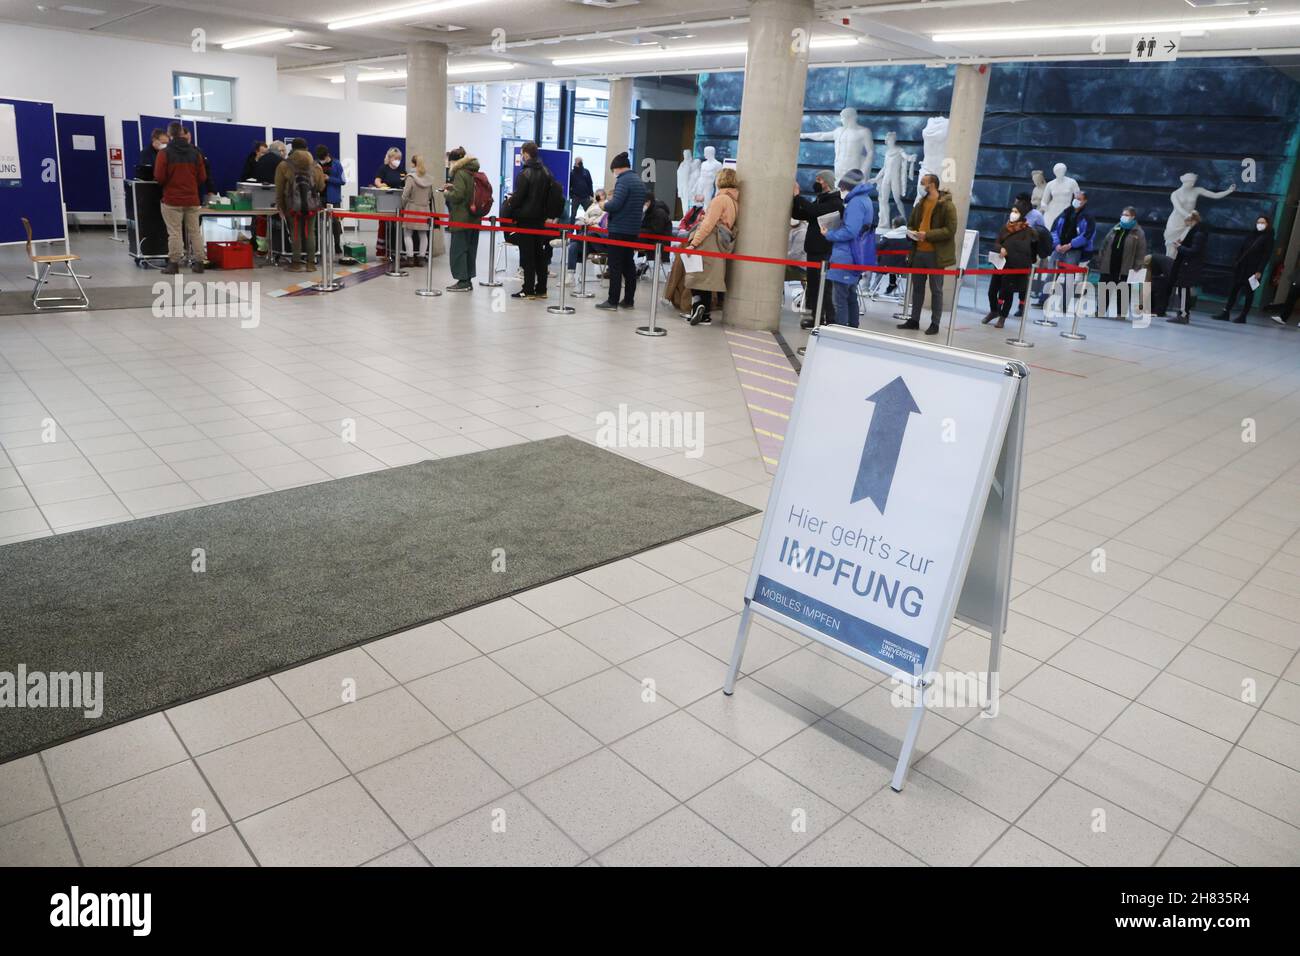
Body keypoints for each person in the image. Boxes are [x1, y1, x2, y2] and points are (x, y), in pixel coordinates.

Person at [901, 172, 956, 335]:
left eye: (923, 182)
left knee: (936, 290)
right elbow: (911, 223)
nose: (921, 184)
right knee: (917, 287)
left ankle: (935, 323)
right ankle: (914, 319)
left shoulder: (946, 205)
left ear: (931, 184)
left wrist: (928, 235)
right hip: (918, 251)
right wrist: (911, 232)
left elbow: (950, 230)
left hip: (935, 254)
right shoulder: (920, 203)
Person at [683, 166, 738, 326]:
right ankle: (705, 313)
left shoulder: (720, 199)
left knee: (696, 274)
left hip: (709, 241)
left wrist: (693, 244)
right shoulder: (734, 201)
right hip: (720, 242)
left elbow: (707, 224)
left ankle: (697, 306)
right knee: (707, 278)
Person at [823, 169, 876, 330]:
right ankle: (852, 329)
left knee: (839, 299)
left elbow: (850, 231)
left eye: (842, 188)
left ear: (847, 186)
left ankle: (841, 331)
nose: (841, 192)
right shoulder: (866, 200)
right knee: (851, 296)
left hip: (846, 255)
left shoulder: (856, 203)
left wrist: (829, 234)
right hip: (856, 255)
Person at [597, 152, 648, 312]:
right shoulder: (639, 181)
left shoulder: (623, 181)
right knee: (628, 265)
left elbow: (616, 204)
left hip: (619, 229)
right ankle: (628, 300)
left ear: (617, 168)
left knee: (615, 266)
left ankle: (612, 300)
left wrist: (604, 205)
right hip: (632, 230)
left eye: (613, 170)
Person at [792, 169, 843, 328]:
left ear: (826, 182)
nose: (816, 183)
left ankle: (830, 319)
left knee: (824, 287)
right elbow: (804, 214)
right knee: (813, 286)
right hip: (814, 249)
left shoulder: (834, 202)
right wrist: (795, 202)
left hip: (824, 250)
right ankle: (813, 318)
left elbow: (813, 211)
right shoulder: (821, 199)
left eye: (819, 180)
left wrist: (798, 196)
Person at [154, 122, 207, 275]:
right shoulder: (195, 153)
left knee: (175, 232)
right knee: (195, 231)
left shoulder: (164, 153)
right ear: (183, 134)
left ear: (170, 135)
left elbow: (159, 176)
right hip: (192, 198)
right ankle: (199, 263)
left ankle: (174, 264)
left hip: (172, 199)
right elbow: (202, 176)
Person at [502, 141, 553, 300]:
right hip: (540, 220)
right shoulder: (546, 172)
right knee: (540, 254)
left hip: (525, 220)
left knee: (527, 256)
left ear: (525, 153)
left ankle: (528, 289)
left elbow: (519, 198)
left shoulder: (525, 174)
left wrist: (511, 202)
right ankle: (542, 289)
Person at [982, 200, 1041, 329]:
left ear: (1021, 214)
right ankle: (994, 311)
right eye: (1012, 211)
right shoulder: (1006, 227)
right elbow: (997, 242)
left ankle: (1003, 316)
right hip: (1000, 264)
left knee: (1007, 293)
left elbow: (1024, 249)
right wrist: (1000, 249)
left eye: (1016, 212)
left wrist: (1009, 250)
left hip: (1014, 266)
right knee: (992, 291)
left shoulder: (1027, 231)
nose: (1013, 214)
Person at [274, 137, 325, 272]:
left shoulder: (284, 165)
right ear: (307, 148)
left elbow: (279, 188)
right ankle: (311, 264)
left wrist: (280, 205)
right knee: (310, 232)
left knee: (295, 232)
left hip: (292, 206)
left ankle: (296, 264)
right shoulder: (315, 165)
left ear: (292, 149)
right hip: (311, 206)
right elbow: (320, 187)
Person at [1044, 190, 1095, 317]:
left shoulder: (1088, 216)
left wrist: (1071, 245)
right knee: (1051, 274)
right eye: (1075, 198)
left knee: (1069, 277)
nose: (1077, 200)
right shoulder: (1066, 212)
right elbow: (1054, 229)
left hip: (1074, 250)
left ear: (1085, 201)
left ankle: (1064, 304)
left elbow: (1087, 235)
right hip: (1059, 248)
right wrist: (1057, 245)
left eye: (1080, 199)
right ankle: (1044, 300)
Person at [1216, 215, 1274, 323]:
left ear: (1268, 224)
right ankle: (1226, 311)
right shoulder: (1252, 234)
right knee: (1234, 290)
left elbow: (1266, 256)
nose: (1260, 225)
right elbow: (1243, 249)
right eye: (1258, 222)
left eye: (1263, 223)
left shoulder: (1268, 238)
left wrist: (1259, 270)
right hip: (1242, 267)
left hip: (1253, 269)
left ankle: (1243, 315)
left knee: (1249, 292)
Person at [1095, 206, 1148, 320]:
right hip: (1109, 264)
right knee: (1104, 287)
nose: (1123, 217)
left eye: (1126, 215)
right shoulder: (1116, 228)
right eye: (1122, 214)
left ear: (1133, 217)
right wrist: (1101, 258)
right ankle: (1100, 310)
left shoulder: (1138, 232)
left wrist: (1138, 265)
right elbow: (1105, 243)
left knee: (1123, 290)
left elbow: (1141, 250)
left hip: (1126, 266)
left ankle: (1121, 314)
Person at [442, 146, 481, 291]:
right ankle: (468, 280)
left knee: (458, 250)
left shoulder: (460, 173)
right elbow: (467, 192)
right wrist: (454, 187)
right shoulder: (473, 171)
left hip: (461, 218)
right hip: (474, 218)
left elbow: (458, 196)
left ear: (454, 161)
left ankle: (462, 281)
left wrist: (446, 193)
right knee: (470, 250)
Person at [1166, 210, 1208, 324]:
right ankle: (1182, 313)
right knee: (1182, 290)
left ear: (1192, 221)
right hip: (1186, 265)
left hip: (1188, 266)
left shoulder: (1197, 234)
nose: (1186, 224)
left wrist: (1180, 247)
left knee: (1183, 290)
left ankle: (1184, 314)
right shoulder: (1195, 232)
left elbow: (1194, 251)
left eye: (1187, 222)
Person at [401, 154, 435, 265]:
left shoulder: (411, 177)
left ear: (413, 164)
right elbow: (430, 195)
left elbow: (405, 195)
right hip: (425, 209)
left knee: (407, 234)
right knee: (423, 234)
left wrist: (402, 206)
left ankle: (410, 258)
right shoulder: (429, 179)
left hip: (411, 208)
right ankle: (421, 258)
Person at [566, 188, 605, 283]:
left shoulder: (606, 206)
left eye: (600, 195)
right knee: (573, 247)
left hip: (598, 238)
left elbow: (602, 218)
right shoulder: (592, 206)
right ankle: (570, 275)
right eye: (596, 195)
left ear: (604, 196)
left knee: (578, 239)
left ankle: (570, 240)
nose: (598, 197)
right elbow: (586, 215)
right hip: (587, 236)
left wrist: (593, 222)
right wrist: (585, 221)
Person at [315, 144, 346, 256]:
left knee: (335, 223)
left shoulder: (337, 164)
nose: (322, 161)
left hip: (333, 198)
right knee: (318, 223)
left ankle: (337, 245)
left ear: (328, 155)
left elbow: (342, 181)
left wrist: (329, 178)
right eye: (320, 159)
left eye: (323, 159)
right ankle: (319, 246)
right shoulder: (315, 164)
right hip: (319, 198)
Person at [569, 157, 593, 223]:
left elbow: (590, 183)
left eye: (579, 161)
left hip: (586, 197)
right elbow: (569, 184)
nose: (577, 162)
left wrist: (591, 195)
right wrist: (571, 195)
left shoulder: (586, 171)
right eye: (576, 161)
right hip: (576, 196)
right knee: (573, 214)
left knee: (588, 213)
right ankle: (570, 230)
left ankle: (589, 229)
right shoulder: (572, 172)